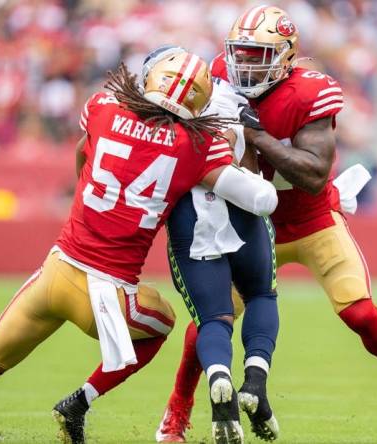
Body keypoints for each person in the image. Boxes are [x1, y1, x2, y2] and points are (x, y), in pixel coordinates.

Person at [0, 50, 277, 444]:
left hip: (55, 271)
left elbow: (84, 153)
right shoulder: (197, 146)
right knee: (164, 323)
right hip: (107, 292)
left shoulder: (104, 108)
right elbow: (263, 199)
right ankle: (80, 401)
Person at [160, 6, 377, 440]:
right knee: (210, 320)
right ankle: (178, 408)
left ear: (285, 57)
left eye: (258, 54)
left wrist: (257, 138)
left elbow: (313, 176)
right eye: (241, 52)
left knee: (361, 313)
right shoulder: (216, 74)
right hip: (251, 225)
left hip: (310, 221)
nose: (245, 64)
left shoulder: (309, 92)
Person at [140, 46, 279, 444]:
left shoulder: (148, 120)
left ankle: (219, 374)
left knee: (213, 319)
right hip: (243, 214)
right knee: (262, 297)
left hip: (191, 222)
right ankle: (254, 378)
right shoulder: (235, 100)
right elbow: (257, 178)